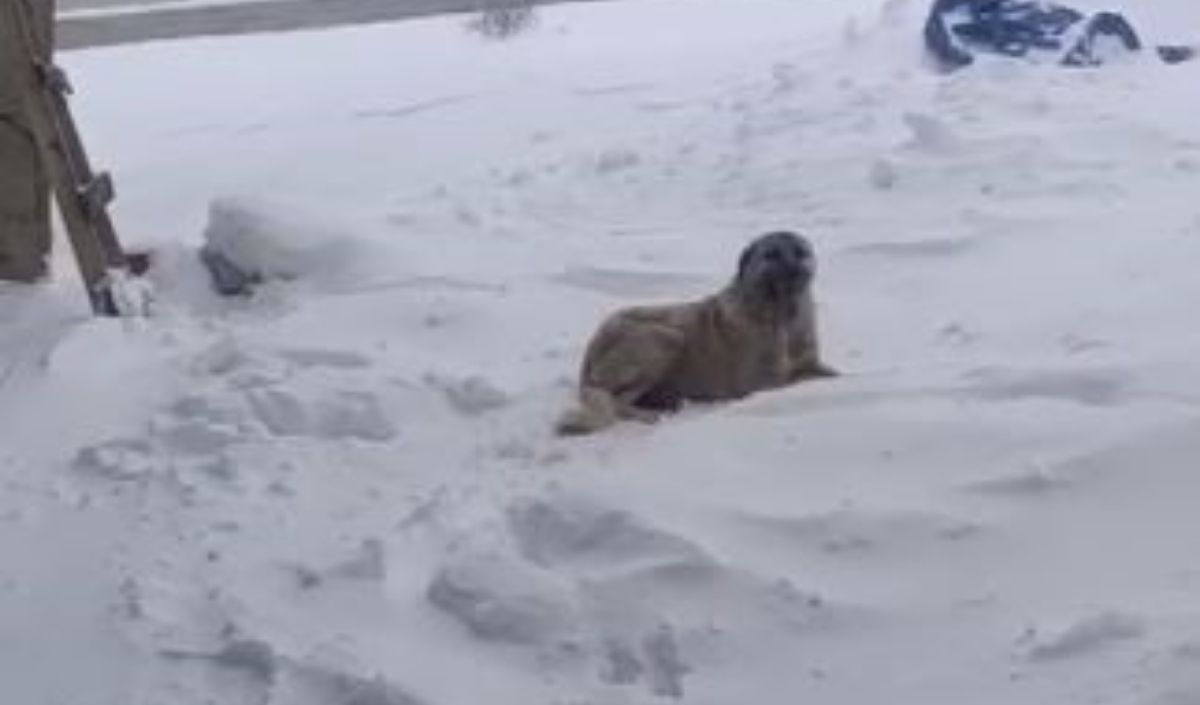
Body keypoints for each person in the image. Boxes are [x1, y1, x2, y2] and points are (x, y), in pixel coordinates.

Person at [924, 0, 1196, 71]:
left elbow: (1059, 14)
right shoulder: (952, 11)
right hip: (1051, 54)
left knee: (1112, 45)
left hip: (1070, 37)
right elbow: (946, 41)